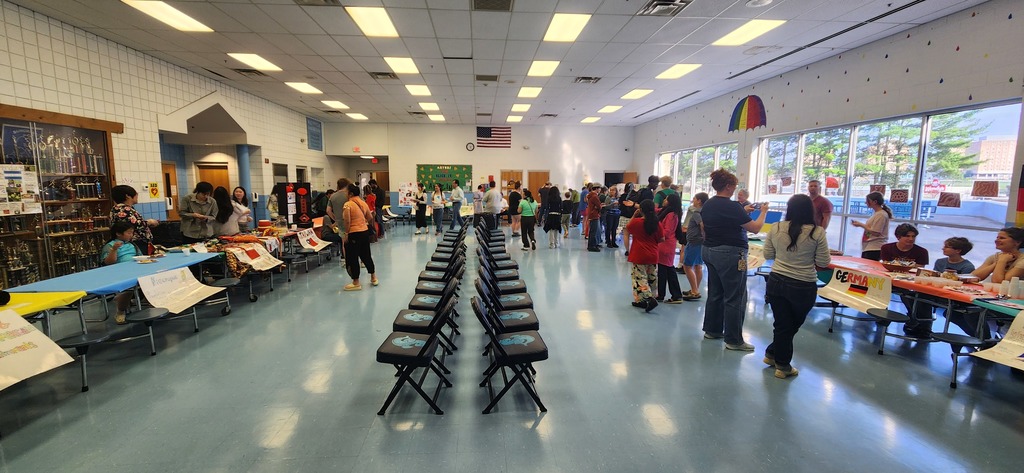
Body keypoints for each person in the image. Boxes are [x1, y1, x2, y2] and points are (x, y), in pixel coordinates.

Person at [762, 194, 831, 379]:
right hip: (803, 285)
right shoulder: (817, 232)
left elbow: (768, 253)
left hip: (776, 280)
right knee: (790, 325)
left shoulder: (776, 227)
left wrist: (785, 257)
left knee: (783, 324)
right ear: (811, 210)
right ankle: (783, 366)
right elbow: (823, 261)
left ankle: (772, 353)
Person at [701, 168, 769, 352]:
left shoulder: (709, 204)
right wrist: (763, 212)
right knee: (735, 296)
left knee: (716, 293)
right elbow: (755, 228)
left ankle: (712, 330)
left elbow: (713, 222)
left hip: (709, 250)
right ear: (729, 186)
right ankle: (734, 339)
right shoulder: (731, 207)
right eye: (735, 186)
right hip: (730, 254)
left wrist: (742, 210)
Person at [950, 228, 1024, 337]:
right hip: (993, 298)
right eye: (997, 237)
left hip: (1012, 303)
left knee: (972, 313)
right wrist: (997, 262)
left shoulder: (1022, 260)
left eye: (1002, 238)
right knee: (954, 313)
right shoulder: (995, 257)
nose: (997, 240)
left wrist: (1002, 261)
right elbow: (973, 276)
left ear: (1017, 242)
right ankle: (981, 340)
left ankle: (984, 342)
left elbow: (999, 282)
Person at [101, 221, 143, 324]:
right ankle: (120, 311)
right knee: (129, 287)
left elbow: (140, 257)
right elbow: (108, 262)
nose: (131, 235)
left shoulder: (132, 245)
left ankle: (132, 300)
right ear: (118, 234)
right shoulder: (110, 246)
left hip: (135, 270)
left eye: (132, 232)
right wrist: (114, 250)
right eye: (128, 233)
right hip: (119, 273)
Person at [627, 200, 662, 312]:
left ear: (641, 210)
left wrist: (634, 215)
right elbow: (662, 239)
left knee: (639, 278)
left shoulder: (637, 222)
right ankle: (643, 299)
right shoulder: (657, 223)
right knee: (651, 277)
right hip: (653, 254)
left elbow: (628, 228)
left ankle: (648, 298)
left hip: (639, 254)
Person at [341, 183, 377, 290]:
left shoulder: (348, 205)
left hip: (354, 233)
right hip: (364, 232)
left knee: (353, 257)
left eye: (346, 192)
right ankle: (373, 277)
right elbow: (370, 217)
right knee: (366, 255)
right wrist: (362, 222)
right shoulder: (363, 203)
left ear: (350, 193)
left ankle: (356, 282)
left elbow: (347, 221)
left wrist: (346, 234)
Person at [110, 184, 159, 254]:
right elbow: (132, 225)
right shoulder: (124, 210)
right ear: (127, 196)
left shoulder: (119, 209)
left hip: (136, 243)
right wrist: (149, 222)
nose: (137, 197)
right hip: (135, 243)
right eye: (136, 194)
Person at [656, 193, 685, 303]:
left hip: (666, 244)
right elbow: (656, 210)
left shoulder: (672, 215)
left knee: (666, 270)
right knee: (666, 269)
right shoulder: (667, 212)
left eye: (666, 199)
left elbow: (668, 231)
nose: (664, 200)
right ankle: (669, 294)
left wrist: (657, 234)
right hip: (664, 243)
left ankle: (665, 294)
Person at [682, 192, 709, 301]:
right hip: (700, 242)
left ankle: (694, 291)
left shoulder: (697, 212)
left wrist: (704, 236)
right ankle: (695, 288)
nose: (692, 200)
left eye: (694, 198)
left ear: (699, 201)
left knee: (687, 266)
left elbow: (702, 226)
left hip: (694, 242)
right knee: (698, 265)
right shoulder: (705, 212)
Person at [851, 191, 891, 261]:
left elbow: (876, 232)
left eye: (868, 201)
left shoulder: (881, 215)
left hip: (875, 247)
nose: (866, 203)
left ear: (874, 202)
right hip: (870, 246)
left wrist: (861, 225)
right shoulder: (877, 214)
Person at [324, 178, 351, 245]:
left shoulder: (333, 196)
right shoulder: (349, 195)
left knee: (344, 243)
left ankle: (345, 255)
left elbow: (328, 210)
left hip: (340, 223)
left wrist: (336, 219)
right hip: (351, 222)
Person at [585, 183, 602, 252]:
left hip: (591, 214)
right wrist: (599, 207)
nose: (600, 190)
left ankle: (591, 245)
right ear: (597, 188)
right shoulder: (595, 196)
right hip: (594, 215)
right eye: (600, 188)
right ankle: (592, 246)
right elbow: (599, 206)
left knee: (592, 231)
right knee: (593, 232)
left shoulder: (590, 195)